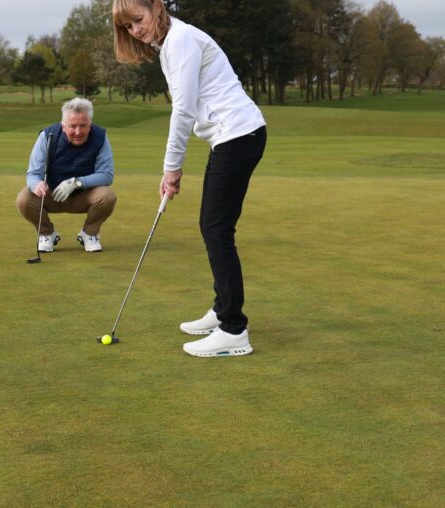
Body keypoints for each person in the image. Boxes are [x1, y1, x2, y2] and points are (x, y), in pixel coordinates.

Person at [112, 0, 267, 357]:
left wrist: (172, 166)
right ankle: (222, 309)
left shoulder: (180, 40)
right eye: (128, 27)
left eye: (138, 19)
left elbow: (183, 109)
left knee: (216, 229)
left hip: (238, 135)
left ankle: (233, 330)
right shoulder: (172, 42)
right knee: (213, 227)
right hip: (234, 136)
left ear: (156, 7)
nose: (136, 30)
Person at [16, 97, 117, 253]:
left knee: (107, 196)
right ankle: (46, 233)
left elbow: (106, 175)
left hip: (84, 195)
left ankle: (89, 233)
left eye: (83, 126)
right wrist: (37, 184)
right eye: (73, 126)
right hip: (51, 194)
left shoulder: (100, 137)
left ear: (90, 124)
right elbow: (33, 173)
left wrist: (76, 183)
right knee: (24, 199)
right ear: (63, 126)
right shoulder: (48, 136)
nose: (78, 132)